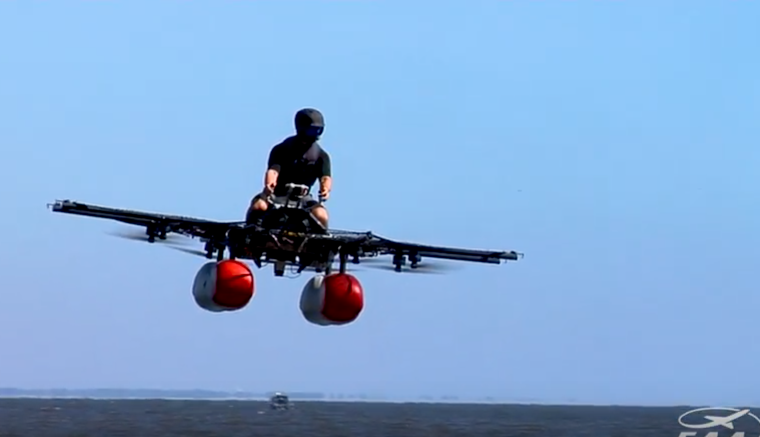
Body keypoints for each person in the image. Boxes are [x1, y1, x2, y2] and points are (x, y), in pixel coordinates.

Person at [246, 108, 332, 228]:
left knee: (321, 215)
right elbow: (274, 170)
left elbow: (325, 177)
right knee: (259, 206)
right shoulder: (282, 149)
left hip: (303, 199)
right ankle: (249, 230)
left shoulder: (321, 156)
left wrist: (325, 189)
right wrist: (269, 184)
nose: (315, 134)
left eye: (319, 130)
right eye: (312, 130)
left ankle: (322, 238)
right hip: (277, 195)